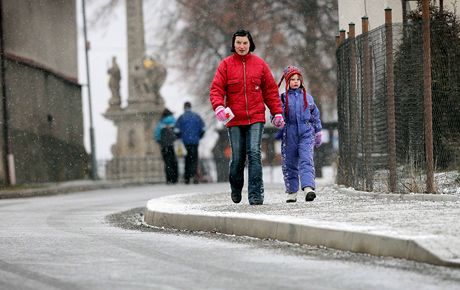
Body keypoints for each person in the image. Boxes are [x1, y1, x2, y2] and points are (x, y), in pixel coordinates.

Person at [210, 29, 285, 205]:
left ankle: (256, 194)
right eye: (238, 43)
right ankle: (236, 187)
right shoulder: (226, 65)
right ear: (233, 44)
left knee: (254, 153)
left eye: (245, 43)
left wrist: (277, 112)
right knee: (237, 157)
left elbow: (271, 92)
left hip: (255, 117)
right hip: (234, 119)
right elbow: (216, 89)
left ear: (250, 44)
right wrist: (219, 106)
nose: (242, 46)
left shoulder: (260, 65)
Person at [276, 65, 322, 203]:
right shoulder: (283, 98)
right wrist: (278, 119)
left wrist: (318, 131)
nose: (295, 82)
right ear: (287, 82)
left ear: (301, 81)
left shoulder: (307, 97)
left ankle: (308, 188)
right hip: (289, 133)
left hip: (306, 132)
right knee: (289, 162)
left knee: (306, 159)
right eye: (292, 79)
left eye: (298, 79)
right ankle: (291, 191)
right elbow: (277, 112)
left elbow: (315, 115)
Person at [175, 101, 206, 184]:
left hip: (185, 142)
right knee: (194, 159)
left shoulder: (181, 118)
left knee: (187, 159)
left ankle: (187, 178)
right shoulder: (197, 116)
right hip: (195, 141)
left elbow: (176, 130)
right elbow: (203, 129)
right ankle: (195, 176)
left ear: (184, 107)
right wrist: (199, 136)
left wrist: (180, 137)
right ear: (190, 107)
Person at [154, 108, 178, 184]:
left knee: (167, 162)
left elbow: (157, 135)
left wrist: (160, 141)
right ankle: (175, 178)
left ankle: (169, 179)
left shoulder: (160, 123)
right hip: (173, 144)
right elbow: (178, 132)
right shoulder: (174, 121)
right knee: (174, 161)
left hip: (164, 145)